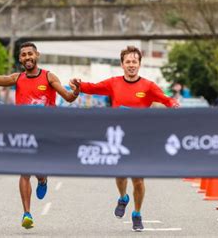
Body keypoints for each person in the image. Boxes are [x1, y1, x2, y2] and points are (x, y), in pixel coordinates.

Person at [69, 46, 179, 232]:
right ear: (122, 64)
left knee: (138, 179)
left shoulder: (148, 86)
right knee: (120, 175)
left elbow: (166, 99)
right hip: (118, 139)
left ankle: (137, 214)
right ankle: (123, 198)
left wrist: (174, 104)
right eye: (127, 62)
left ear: (139, 64)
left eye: (134, 61)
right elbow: (93, 88)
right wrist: (78, 85)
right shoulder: (113, 83)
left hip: (139, 139)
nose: (131, 65)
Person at [0, 37, 79, 230]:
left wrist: (76, 92)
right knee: (24, 171)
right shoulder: (17, 78)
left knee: (39, 171)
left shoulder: (49, 77)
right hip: (23, 134)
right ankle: (27, 213)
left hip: (46, 134)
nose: (27, 57)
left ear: (37, 55)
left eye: (30, 54)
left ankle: (42, 178)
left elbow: (68, 97)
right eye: (23, 55)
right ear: (20, 58)